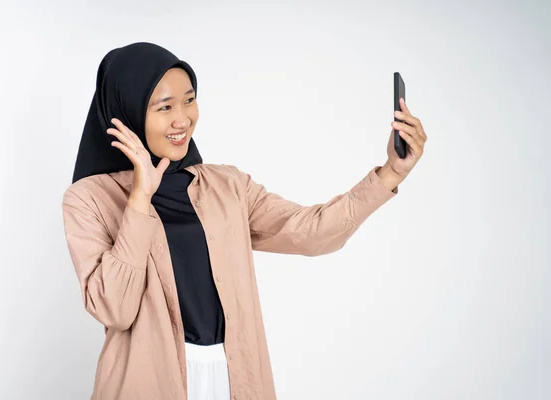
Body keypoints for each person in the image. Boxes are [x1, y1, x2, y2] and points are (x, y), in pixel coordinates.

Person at [62, 42, 427, 400]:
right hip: (147, 382)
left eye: (189, 100)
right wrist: (140, 197)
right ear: (126, 112)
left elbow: (311, 233)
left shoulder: (228, 186)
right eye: (164, 107)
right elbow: (115, 310)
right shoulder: (89, 199)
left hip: (235, 377)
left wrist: (391, 174)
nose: (182, 119)